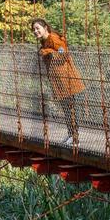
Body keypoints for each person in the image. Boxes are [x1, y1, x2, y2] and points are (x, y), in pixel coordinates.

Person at [30, 18, 86, 147]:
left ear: (45, 28)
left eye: (37, 28)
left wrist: (48, 52)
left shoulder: (53, 38)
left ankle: (75, 138)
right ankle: (71, 134)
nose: (35, 31)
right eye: (33, 29)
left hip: (67, 79)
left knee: (70, 108)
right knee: (66, 109)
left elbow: (63, 53)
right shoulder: (44, 42)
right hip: (58, 81)